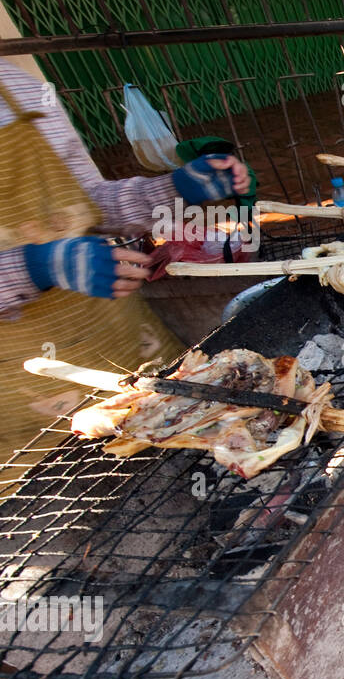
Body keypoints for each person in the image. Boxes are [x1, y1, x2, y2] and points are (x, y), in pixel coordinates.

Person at [0, 58, 250, 469]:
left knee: (188, 454)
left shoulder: (18, 87)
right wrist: (31, 267)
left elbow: (87, 200)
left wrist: (172, 189)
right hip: (22, 400)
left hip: (120, 342)